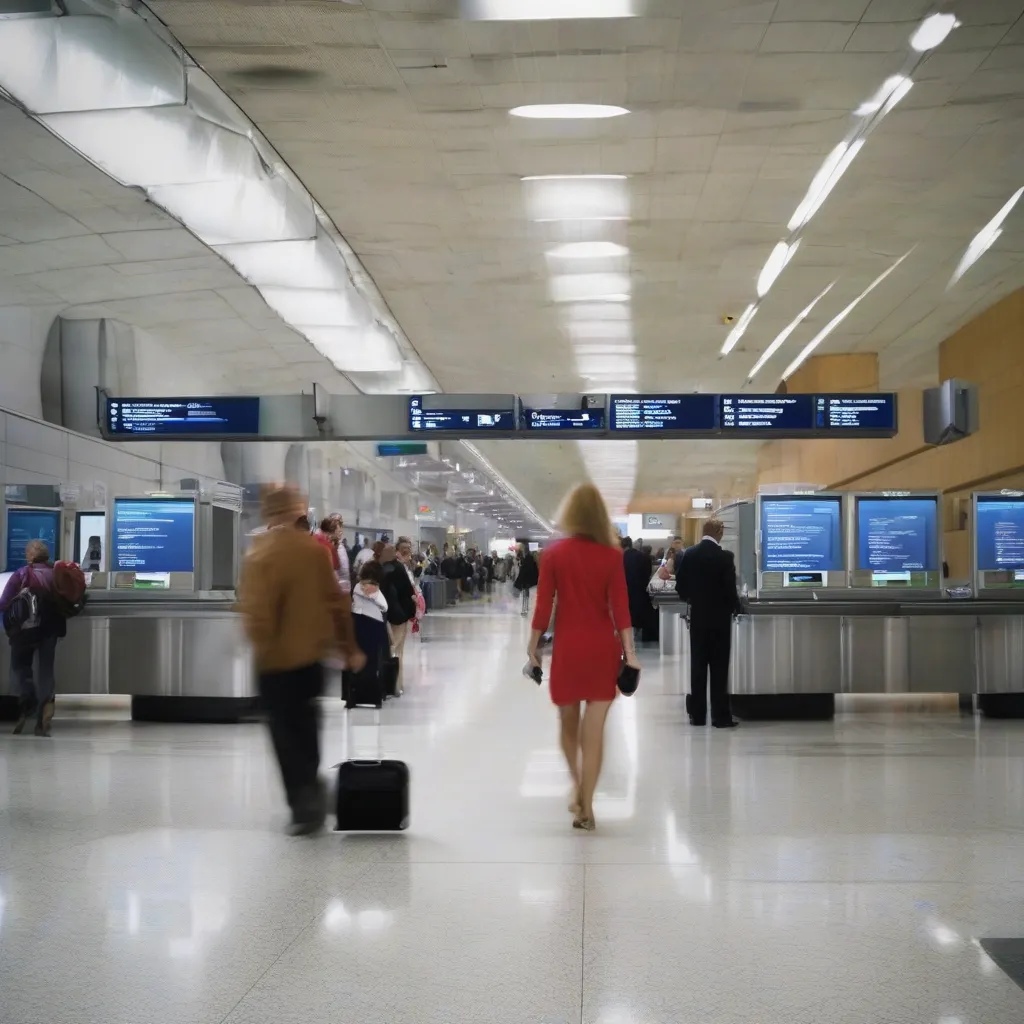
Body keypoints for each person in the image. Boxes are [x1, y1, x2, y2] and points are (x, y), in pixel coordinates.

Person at [238, 486, 365, 835]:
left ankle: (303, 800)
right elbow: (337, 602)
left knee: (284, 733)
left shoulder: (260, 555)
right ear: (297, 512)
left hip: (275, 662)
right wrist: (348, 646)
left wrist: (259, 643)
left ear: (267, 513)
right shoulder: (313, 551)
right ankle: (311, 785)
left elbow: (256, 613)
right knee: (307, 726)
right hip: (312, 658)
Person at [526, 483, 637, 833]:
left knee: (568, 725)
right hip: (603, 648)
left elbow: (544, 605)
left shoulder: (555, 555)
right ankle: (587, 802)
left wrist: (533, 647)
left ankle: (577, 788)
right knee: (595, 732)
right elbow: (621, 608)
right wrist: (630, 654)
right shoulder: (611, 555)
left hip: (569, 649)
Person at [675, 518, 742, 729]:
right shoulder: (725, 557)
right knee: (719, 668)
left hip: (698, 618)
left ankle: (698, 715)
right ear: (718, 532)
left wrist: (694, 598)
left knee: (698, 665)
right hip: (720, 621)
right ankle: (720, 717)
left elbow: (681, 588)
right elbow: (730, 590)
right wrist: (736, 607)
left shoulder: (689, 555)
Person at [0, 540, 66, 736]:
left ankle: (28, 701)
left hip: (25, 631)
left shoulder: (21, 574)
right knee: (46, 670)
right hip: (51, 629)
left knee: (20, 666)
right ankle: (45, 712)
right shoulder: (57, 574)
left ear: (30, 556)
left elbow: (3, 603)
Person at [349, 560, 391, 699]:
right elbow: (385, 606)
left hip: (357, 622)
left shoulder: (356, 586)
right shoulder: (374, 588)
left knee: (359, 657)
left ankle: (356, 692)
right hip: (373, 623)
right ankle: (372, 692)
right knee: (373, 659)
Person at [380, 543, 417, 695]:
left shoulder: (380, 569)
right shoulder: (400, 569)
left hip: (383, 615)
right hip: (399, 616)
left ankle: (386, 683)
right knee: (397, 650)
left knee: (388, 649)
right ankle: (396, 684)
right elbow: (409, 592)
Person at [623, 536, 656, 642]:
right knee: (643, 613)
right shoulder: (643, 557)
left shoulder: (621, 557)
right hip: (642, 590)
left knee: (630, 614)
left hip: (627, 590)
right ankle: (643, 635)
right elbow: (648, 573)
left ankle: (630, 636)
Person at [514, 544, 539, 616]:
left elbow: (525, 570)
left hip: (526, 580)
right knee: (526, 595)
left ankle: (525, 609)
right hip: (526, 580)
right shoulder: (524, 558)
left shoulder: (527, 558)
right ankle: (525, 609)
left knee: (525, 595)